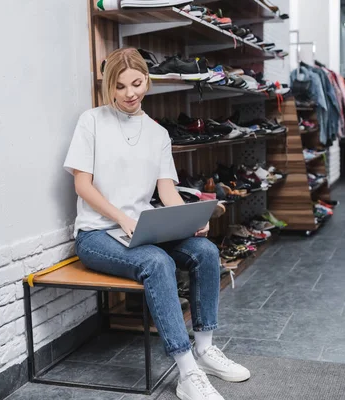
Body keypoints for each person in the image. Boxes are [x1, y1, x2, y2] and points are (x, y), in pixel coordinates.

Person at [63, 48, 250, 400]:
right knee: (156, 262)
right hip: (98, 234)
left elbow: (166, 190)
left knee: (205, 251)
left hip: (143, 230)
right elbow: (82, 185)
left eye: (137, 83)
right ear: (109, 88)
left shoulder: (157, 133)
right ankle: (186, 371)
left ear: (147, 80)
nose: (130, 93)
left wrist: (188, 220)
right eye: (120, 87)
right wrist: (121, 218)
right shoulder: (92, 121)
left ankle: (205, 350)